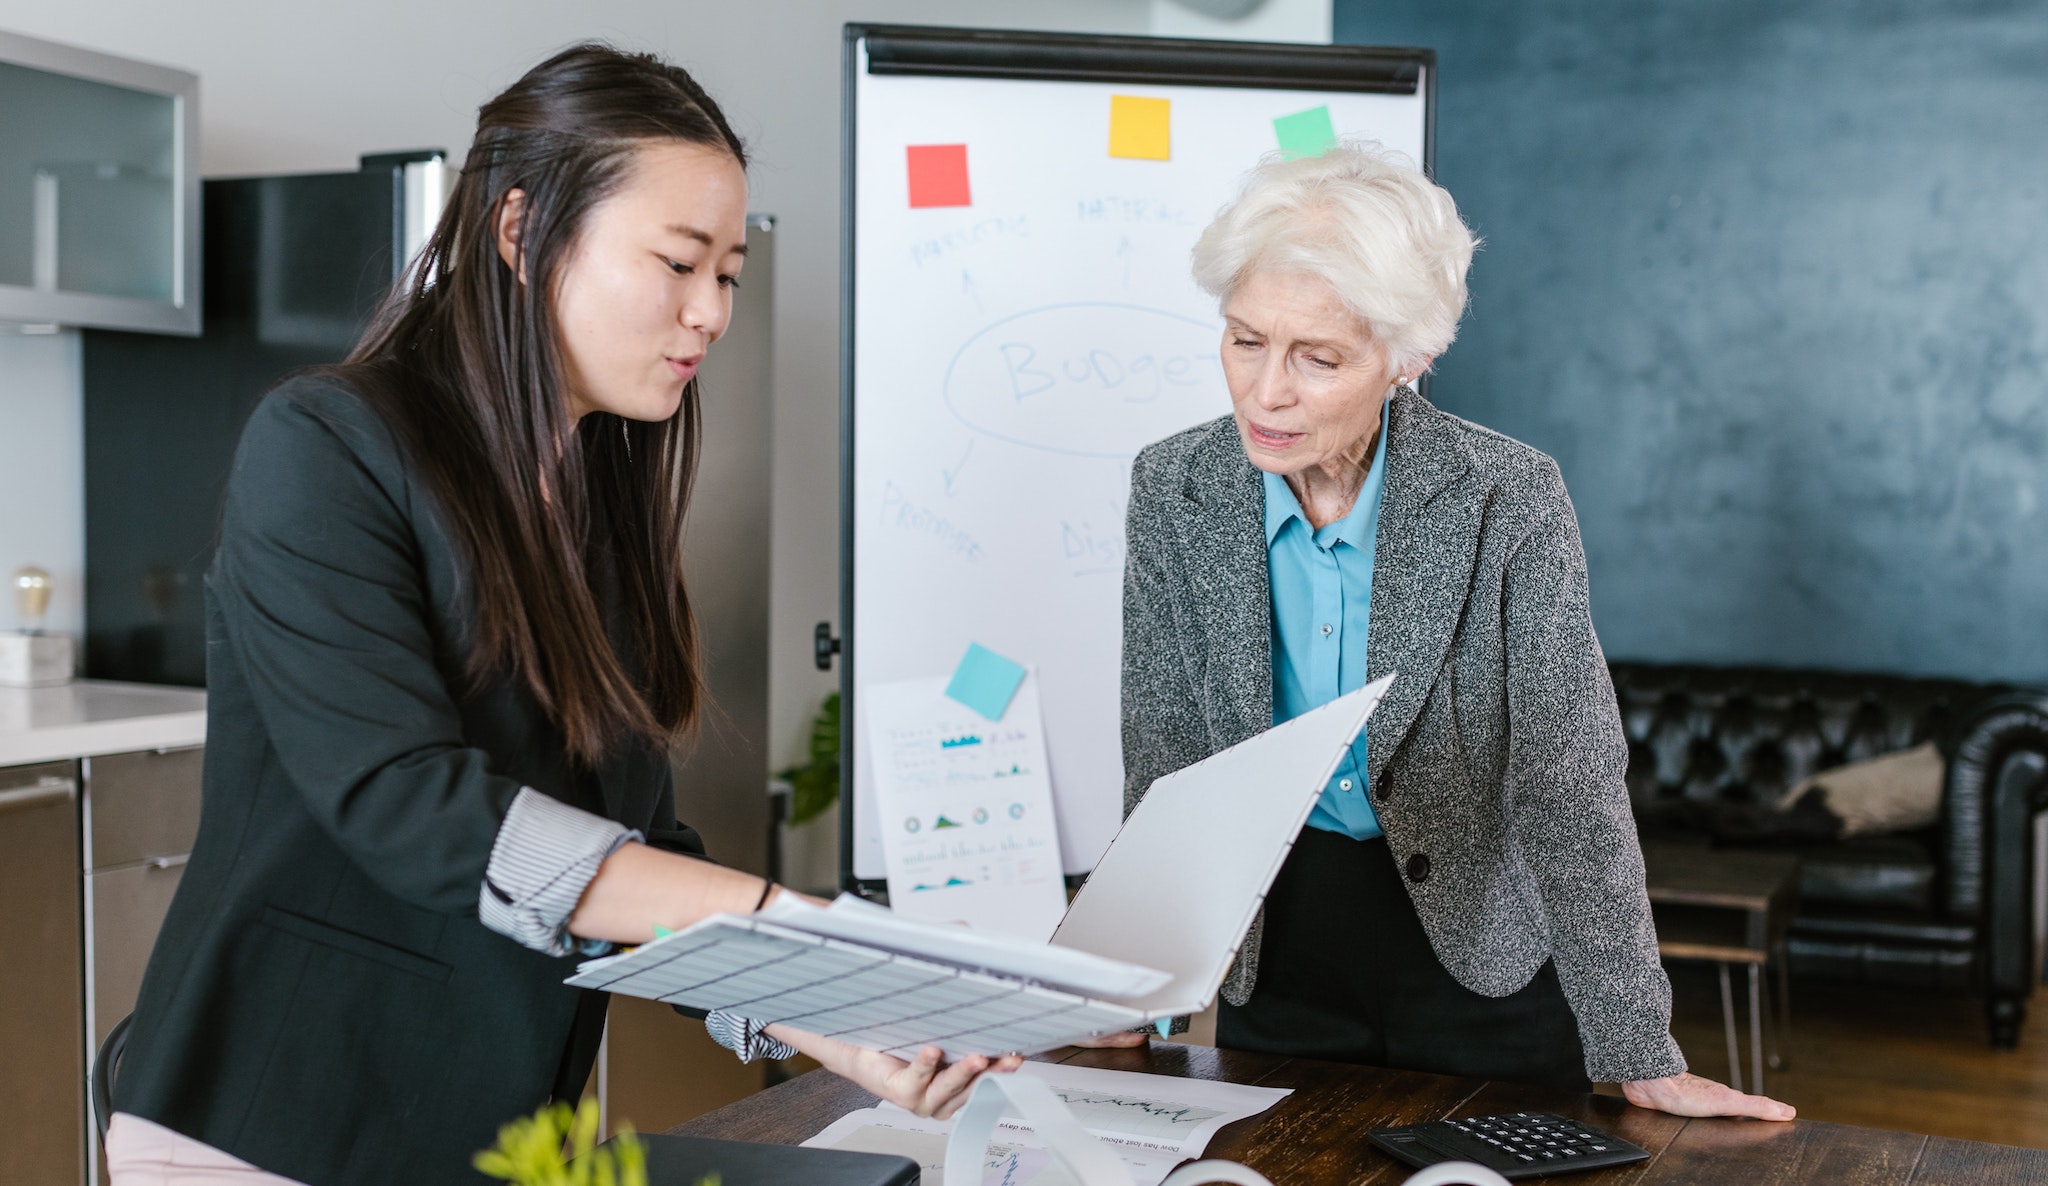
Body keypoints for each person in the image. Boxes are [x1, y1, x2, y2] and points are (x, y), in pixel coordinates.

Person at [106, 45, 1014, 1186]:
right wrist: (787, 920)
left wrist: (829, 1014)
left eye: (728, 274)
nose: (711, 312)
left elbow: (639, 855)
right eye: (679, 263)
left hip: (491, 1134)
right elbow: (409, 803)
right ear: (521, 229)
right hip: (272, 1124)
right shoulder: (328, 445)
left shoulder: (599, 514)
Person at [1105, 143, 1793, 1120]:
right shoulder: (1174, 488)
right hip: (1283, 951)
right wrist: (1138, 986)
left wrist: (1638, 1044)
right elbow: (1165, 756)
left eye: (1318, 357)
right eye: (1245, 340)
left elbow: (1567, 779)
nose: (1265, 392)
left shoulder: (1508, 496)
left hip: (1484, 960)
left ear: (1408, 358)